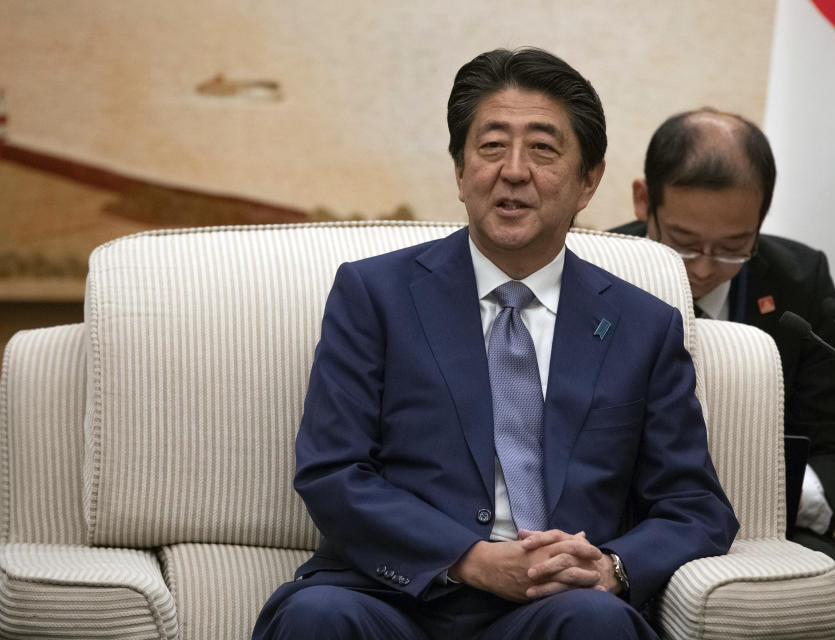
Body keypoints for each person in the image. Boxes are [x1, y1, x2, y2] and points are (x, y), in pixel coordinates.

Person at [253, 49, 738, 640]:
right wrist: (472, 559)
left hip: (554, 608)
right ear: (460, 172)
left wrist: (613, 568)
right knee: (316, 617)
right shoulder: (374, 295)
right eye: (490, 146)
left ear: (589, 181)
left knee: (595, 624)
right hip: (393, 598)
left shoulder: (643, 326)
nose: (513, 170)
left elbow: (694, 506)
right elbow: (333, 471)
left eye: (542, 148)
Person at [610, 107, 835, 572]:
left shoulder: (800, 282)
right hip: (623, 528)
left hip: (771, 532)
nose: (706, 268)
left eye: (733, 248)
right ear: (644, 200)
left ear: (761, 218)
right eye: (682, 242)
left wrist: (773, 500)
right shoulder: (597, 269)